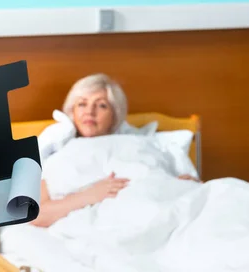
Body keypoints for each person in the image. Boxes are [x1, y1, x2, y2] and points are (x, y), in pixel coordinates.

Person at [32, 73, 198, 228]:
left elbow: (154, 178)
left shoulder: (139, 145)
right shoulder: (60, 154)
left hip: (153, 211)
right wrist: (90, 195)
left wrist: (178, 184)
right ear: (72, 112)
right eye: (82, 104)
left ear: (115, 115)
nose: (90, 111)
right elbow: (35, 214)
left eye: (101, 105)